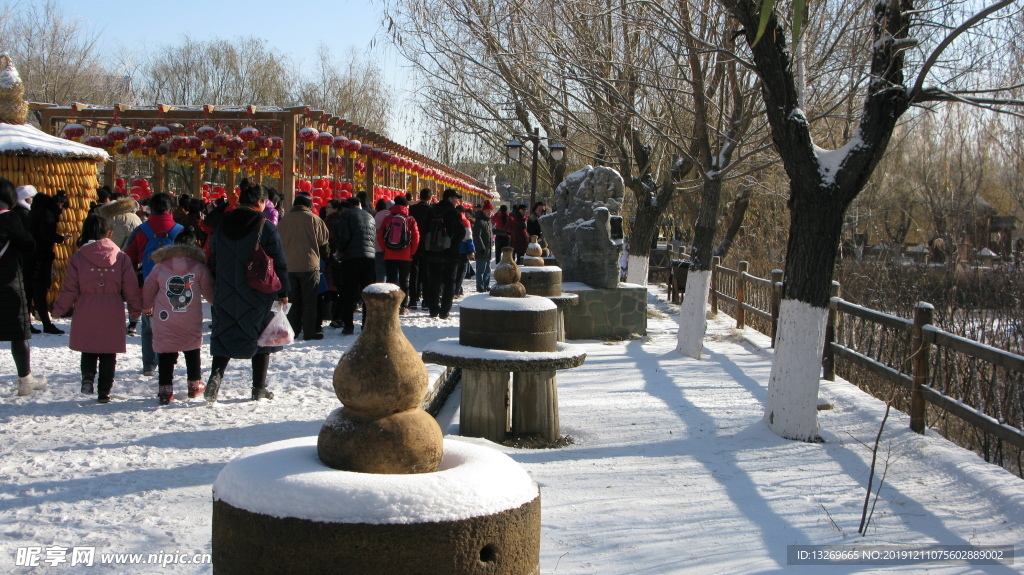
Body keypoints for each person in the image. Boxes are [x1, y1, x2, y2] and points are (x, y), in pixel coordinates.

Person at [206, 183, 290, 404]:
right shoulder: (265, 227)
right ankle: (258, 388)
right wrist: (284, 291)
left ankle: (215, 378)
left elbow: (212, 258)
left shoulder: (222, 225)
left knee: (225, 331)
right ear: (261, 202)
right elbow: (278, 261)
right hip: (258, 290)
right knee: (261, 336)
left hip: (225, 289)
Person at [52, 215, 143, 403]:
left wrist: (59, 309)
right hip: (113, 309)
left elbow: (70, 288)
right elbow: (131, 288)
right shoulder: (121, 258)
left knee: (89, 348)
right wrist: (136, 310)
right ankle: (104, 391)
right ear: (109, 234)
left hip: (86, 308)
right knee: (109, 353)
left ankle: (87, 377)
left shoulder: (79, 257)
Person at [142, 229, 214, 405]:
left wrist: (146, 307)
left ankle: (165, 390)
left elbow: (148, 289)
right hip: (190, 317)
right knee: (192, 349)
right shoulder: (199, 268)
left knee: (166, 351)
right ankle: (194, 384)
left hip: (165, 318)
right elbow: (210, 295)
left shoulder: (160, 266)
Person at [124, 193, 182, 376]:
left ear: (150, 209)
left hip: (146, 286)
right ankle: (167, 361)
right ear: (170, 209)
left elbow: (129, 258)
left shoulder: (141, 230)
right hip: (175, 288)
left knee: (148, 327)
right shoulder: (180, 230)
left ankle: (149, 364)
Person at [0, 178, 45, 396]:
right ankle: (25, 379)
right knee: (18, 333)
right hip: (7, 283)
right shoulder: (10, 217)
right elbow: (28, 245)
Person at [277, 194, 329, 341]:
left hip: (289, 266)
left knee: (293, 300)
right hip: (310, 265)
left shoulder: (284, 220)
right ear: (309, 205)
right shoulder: (315, 219)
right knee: (310, 300)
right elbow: (324, 244)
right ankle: (309, 331)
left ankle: (293, 330)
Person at [26, 190, 70, 335]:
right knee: (40, 290)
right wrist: (60, 238)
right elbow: (46, 234)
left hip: (29, 255)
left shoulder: (34, 211)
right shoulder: (47, 214)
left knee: (29, 291)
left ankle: (27, 323)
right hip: (40, 256)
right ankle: (46, 323)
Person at [331, 197, 376, 334]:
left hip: (352, 258)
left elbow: (345, 236)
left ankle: (348, 326)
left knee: (348, 293)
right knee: (366, 293)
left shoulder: (346, 215)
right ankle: (366, 325)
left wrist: (340, 251)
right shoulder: (370, 216)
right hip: (369, 257)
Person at [422, 188, 467, 319]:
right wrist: (452, 242)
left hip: (433, 252)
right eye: (455, 198)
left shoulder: (432, 210)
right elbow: (460, 232)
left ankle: (433, 309)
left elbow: (425, 230)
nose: (457, 201)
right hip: (450, 253)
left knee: (433, 281)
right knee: (450, 282)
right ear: (449, 198)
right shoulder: (454, 212)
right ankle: (444, 311)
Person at [377, 195, 420, 314]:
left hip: (390, 254)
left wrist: (385, 249)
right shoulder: (410, 219)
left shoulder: (388, 218)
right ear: (406, 206)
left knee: (391, 280)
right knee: (404, 280)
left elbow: (380, 235)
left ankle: (392, 304)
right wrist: (411, 252)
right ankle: (403, 305)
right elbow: (416, 237)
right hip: (405, 255)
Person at [407, 188, 434, 309]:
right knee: (426, 273)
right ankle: (426, 301)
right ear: (430, 198)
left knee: (414, 273)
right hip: (427, 245)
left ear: (420, 196)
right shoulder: (431, 210)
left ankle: (413, 300)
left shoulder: (412, 209)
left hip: (413, 244)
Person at [473, 200, 495, 292]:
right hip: (482, 250)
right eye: (488, 210)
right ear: (483, 211)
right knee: (481, 270)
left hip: (488, 250)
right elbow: (477, 236)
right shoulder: (479, 221)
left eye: (491, 211)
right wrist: (481, 247)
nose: (490, 213)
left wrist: (507, 233)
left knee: (487, 270)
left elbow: (494, 231)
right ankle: (480, 286)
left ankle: (486, 285)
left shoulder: (489, 222)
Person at [373, 198, 389, 283]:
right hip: (391, 248)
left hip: (378, 248)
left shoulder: (376, 217)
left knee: (380, 275)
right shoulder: (391, 216)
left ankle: (381, 294)